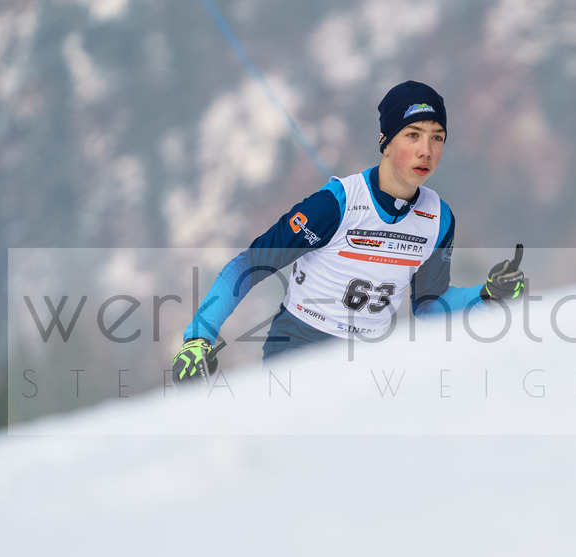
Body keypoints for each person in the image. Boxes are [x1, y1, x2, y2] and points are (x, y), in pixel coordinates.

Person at [171, 81, 525, 385]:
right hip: (299, 347)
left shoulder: (438, 217)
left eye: (438, 138)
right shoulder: (336, 203)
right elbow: (249, 265)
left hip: (371, 359)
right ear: (386, 142)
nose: (426, 150)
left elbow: (429, 305)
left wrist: (488, 294)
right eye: (413, 135)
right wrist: (199, 337)